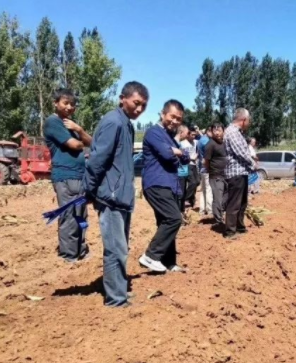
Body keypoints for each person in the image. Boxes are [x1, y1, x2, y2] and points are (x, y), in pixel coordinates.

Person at [83, 81, 148, 307]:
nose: (139, 109)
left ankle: (118, 289)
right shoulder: (113, 122)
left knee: (121, 247)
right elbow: (98, 159)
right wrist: (89, 189)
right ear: (123, 98)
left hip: (121, 196)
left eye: (143, 106)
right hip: (110, 197)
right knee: (115, 249)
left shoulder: (127, 124)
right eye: (136, 103)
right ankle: (115, 299)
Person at [138, 100, 189, 273]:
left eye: (179, 119)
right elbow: (168, 155)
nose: (175, 121)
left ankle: (169, 262)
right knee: (174, 219)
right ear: (162, 114)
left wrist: (177, 152)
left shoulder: (170, 137)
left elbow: (186, 157)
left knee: (165, 222)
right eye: (172, 116)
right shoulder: (154, 132)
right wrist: (175, 152)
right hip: (157, 183)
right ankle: (151, 256)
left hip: (170, 184)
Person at [43, 88, 92, 263]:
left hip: (79, 176)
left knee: (81, 215)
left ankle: (81, 249)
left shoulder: (71, 125)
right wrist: (81, 139)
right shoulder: (53, 122)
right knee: (69, 215)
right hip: (66, 176)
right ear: (56, 103)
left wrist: (79, 128)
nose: (69, 107)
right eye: (65, 103)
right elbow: (76, 146)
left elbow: (91, 143)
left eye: (72, 104)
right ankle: (68, 255)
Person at [224, 108, 256, 240]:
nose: (249, 123)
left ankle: (239, 227)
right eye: (248, 120)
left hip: (241, 172)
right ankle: (230, 231)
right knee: (234, 203)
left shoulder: (238, 132)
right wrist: (252, 163)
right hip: (235, 173)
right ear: (243, 120)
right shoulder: (232, 132)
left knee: (242, 202)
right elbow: (241, 153)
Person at [204, 123, 228, 228]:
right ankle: (218, 220)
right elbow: (206, 162)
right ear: (212, 132)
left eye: (219, 130)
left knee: (226, 198)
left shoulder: (225, 143)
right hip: (216, 176)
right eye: (215, 130)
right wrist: (211, 172)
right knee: (217, 198)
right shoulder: (210, 144)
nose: (217, 133)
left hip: (226, 175)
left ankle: (221, 214)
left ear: (224, 131)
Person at [181, 125, 200, 211]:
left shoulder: (195, 142)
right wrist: (190, 158)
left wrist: (198, 131)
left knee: (197, 182)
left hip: (194, 164)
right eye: (192, 135)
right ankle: (186, 199)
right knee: (191, 182)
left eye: (194, 135)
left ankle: (190, 200)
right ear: (187, 134)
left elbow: (203, 140)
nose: (193, 136)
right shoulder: (183, 143)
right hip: (186, 164)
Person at [197, 126, 213, 216]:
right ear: (208, 131)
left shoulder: (201, 140)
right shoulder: (207, 141)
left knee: (203, 189)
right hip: (207, 168)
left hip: (202, 168)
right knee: (209, 189)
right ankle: (210, 210)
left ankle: (202, 209)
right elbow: (208, 156)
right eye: (212, 131)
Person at [174, 125, 189, 217]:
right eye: (186, 133)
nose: (187, 135)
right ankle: (178, 214)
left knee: (183, 194)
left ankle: (181, 212)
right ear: (181, 132)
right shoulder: (175, 144)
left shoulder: (180, 144)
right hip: (178, 173)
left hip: (184, 172)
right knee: (179, 195)